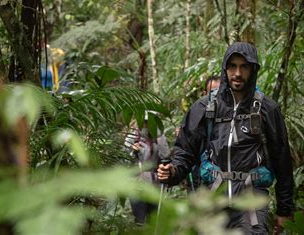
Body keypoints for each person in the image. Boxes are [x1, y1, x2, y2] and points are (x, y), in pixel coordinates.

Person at [157, 42, 294, 234]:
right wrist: (172, 172)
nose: (237, 73)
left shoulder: (267, 109)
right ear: (225, 69)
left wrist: (285, 210)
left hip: (251, 199)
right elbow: (186, 151)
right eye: (232, 66)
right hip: (212, 197)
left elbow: (282, 161)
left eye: (244, 66)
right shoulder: (204, 107)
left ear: (253, 69)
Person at [125, 112, 170, 225]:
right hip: (136, 185)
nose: (147, 125)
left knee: (153, 220)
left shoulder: (158, 137)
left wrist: (160, 138)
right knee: (140, 220)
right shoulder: (132, 137)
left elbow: (166, 157)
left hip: (154, 184)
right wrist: (133, 151)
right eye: (145, 122)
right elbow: (123, 160)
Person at [185, 75, 221, 193]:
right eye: (212, 92)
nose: (216, 96)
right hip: (197, 177)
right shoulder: (196, 113)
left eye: (219, 92)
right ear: (205, 93)